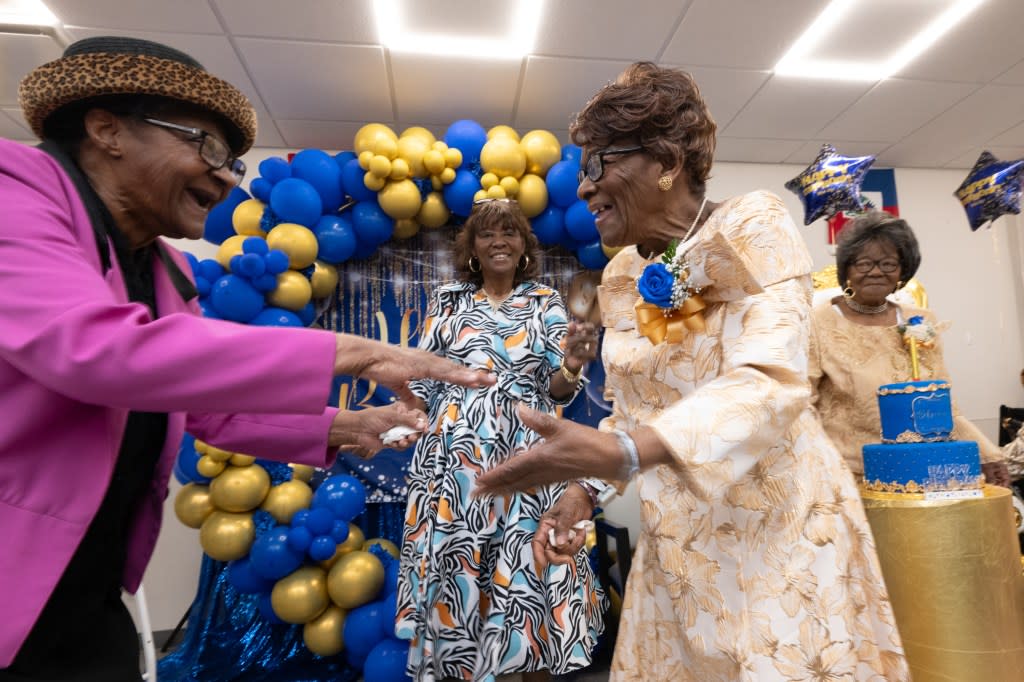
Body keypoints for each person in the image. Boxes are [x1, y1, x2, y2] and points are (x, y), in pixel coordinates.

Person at [0, 36, 492, 681]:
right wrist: (362, 354)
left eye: (232, 159)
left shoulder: (162, 265)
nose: (229, 176)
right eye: (205, 147)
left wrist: (348, 427)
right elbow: (96, 351)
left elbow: (207, 410)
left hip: (79, 590)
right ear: (106, 129)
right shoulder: (15, 189)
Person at [475, 62, 909, 680]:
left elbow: (769, 381)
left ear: (666, 162)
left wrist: (622, 453)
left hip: (782, 534)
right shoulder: (623, 277)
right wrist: (578, 494)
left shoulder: (753, 224)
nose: (582, 189)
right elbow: (631, 409)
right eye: (581, 172)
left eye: (598, 164)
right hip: (681, 547)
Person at [393, 198, 604, 681]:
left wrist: (572, 362)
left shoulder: (545, 302)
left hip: (527, 457)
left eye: (509, 233)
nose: (499, 242)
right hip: (454, 462)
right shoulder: (447, 299)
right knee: (460, 574)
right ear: (473, 247)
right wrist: (404, 420)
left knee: (530, 575)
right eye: (487, 234)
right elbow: (424, 380)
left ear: (523, 245)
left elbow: (559, 391)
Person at [806, 211, 1010, 487]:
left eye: (889, 264)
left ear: (903, 270)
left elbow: (943, 403)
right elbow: (801, 405)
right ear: (846, 269)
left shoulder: (921, 321)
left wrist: (986, 453)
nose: (876, 272)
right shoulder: (817, 322)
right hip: (844, 477)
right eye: (864, 263)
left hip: (920, 473)